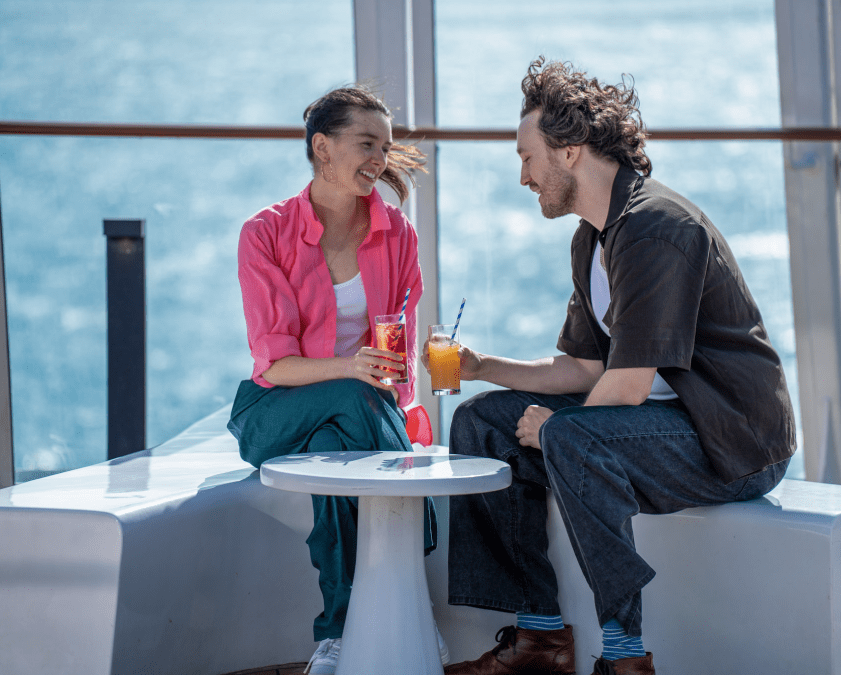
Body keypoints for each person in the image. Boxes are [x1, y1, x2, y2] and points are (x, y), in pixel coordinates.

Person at [430, 58, 796, 675]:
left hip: (733, 442)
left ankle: (626, 657)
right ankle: (540, 641)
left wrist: (552, 430)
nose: (522, 176)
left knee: (568, 435)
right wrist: (481, 365)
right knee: (482, 423)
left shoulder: (653, 228)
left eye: (527, 157)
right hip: (658, 426)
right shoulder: (593, 237)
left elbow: (623, 387)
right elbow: (581, 368)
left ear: (570, 151)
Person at [226, 85, 446, 674]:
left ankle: (337, 636)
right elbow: (273, 364)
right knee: (351, 396)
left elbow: (397, 346)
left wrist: (398, 397)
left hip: (359, 417)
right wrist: (353, 370)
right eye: (366, 144)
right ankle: (415, 566)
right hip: (273, 410)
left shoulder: (396, 232)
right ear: (323, 148)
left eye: (386, 146)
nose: (380, 159)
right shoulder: (265, 234)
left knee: (334, 451)